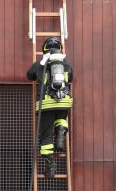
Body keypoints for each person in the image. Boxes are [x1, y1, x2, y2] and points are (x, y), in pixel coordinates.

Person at [27, 36, 73, 178]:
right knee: (61, 119)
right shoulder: (66, 62)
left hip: (46, 103)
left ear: (45, 48)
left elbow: (29, 76)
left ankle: (50, 167)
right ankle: (60, 137)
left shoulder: (40, 63)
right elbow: (70, 78)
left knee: (46, 136)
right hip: (64, 101)